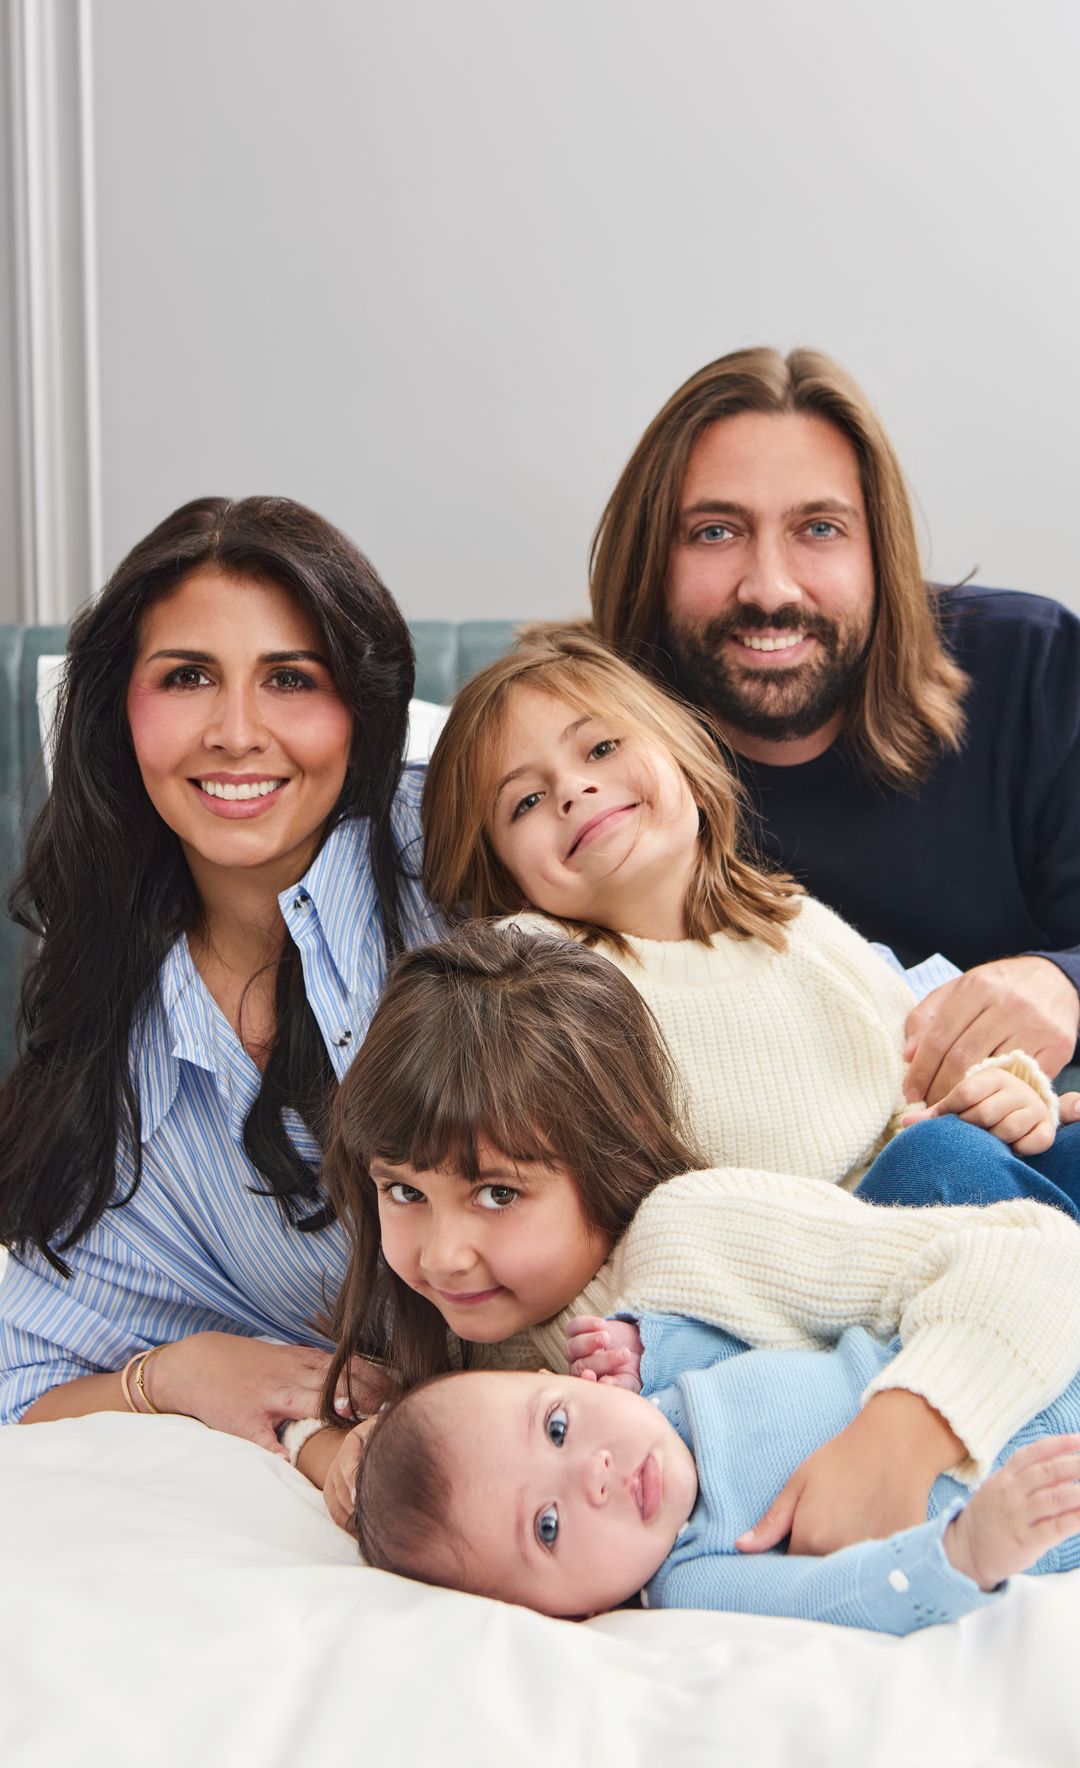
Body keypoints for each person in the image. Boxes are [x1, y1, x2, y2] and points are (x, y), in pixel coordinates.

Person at [308, 923, 1080, 1554]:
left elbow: (1034, 1258)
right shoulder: (470, 1355)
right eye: (405, 1192)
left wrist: (896, 1441)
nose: (443, 1255)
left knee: (932, 1164)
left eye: (498, 1193)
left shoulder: (696, 1234)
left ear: (607, 1162)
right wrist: (353, 1451)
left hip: (1026, 1295)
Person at [0, 495, 439, 1447]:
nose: (236, 732)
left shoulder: (467, 853)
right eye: (189, 676)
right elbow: (18, 1378)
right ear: (120, 708)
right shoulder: (123, 1047)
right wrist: (174, 1375)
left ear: (360, 713)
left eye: (290, 679)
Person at [418, 628, 1080, 1210]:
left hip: (917, 1202)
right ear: (502, 871)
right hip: (774, 1272)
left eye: (600, 748)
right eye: (526, 800)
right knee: (945, 1165)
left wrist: (1007, 1100)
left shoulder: (792, 924)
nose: (572, 790)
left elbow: (920, 1093)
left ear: (685, 759)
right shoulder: (532, 973)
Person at [587, 346, 1080, 1106]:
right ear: (651, 558)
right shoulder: (581, 749)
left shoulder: (1033, 668)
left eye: (818, 529)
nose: (770, 588)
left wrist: (1065, 982)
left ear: (881, 549)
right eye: (716, 532)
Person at [347, 1341, 1080, 1633]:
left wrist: (646, 1336)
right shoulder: (693, 1577)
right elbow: (831, 1599)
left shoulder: (661, 1383)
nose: (592, 1474)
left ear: (558, 1380)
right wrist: (966, 1551)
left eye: (559, 1427)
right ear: (565, 1612)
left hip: (997, 1357)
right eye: (547, 1525)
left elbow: (762, 1318)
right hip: (1032, 1483)